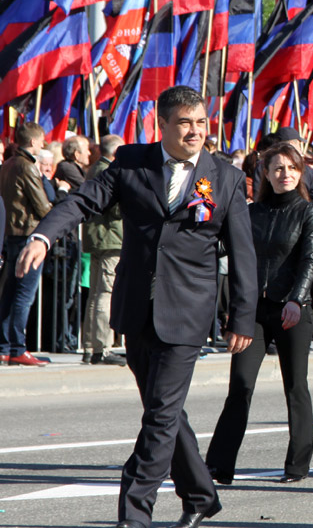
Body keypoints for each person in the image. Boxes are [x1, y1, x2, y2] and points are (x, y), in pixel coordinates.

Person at [17, 86, 257, 528]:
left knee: (162, 414)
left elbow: (243, 252)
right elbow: (83, 201)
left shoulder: (224, 178)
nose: (195, 131)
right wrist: (43, 235)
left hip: (187, 311)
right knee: (163, 412)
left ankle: (134, 514)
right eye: (184, 122)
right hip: (136, 306)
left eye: (201, 122)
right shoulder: (131, 162)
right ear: (161, 125)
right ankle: (202, 495)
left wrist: (242, 315)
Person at [206, 142, 313, 485]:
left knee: (295, 387)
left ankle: (297, 465)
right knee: (240, 385)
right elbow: (222, 245)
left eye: (291, 168)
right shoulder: (250, 211)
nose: (284, 174)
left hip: (292, 310)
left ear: (300, 173)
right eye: (277, 169)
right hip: (252, 312)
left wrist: (296, 300)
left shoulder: (308, 211)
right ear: (266, 175)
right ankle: (219, 465)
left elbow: (310, 260)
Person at [0, 122, 53, 366]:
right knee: (24, 293)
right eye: (41, 141)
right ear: (33, 141)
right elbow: (42, 205)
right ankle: (17, 347)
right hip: (28, 234)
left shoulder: (8, 163)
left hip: (11, 233)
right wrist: (58, 216)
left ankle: (5, 346)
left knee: (10, 291)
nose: (43, 145)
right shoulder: (27, 166)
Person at [82, 134, 126, 366]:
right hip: (110, 237)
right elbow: (114, 207)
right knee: (105, 294)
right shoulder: (107, 170)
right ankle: (103, 348)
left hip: (99, 237)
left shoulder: (94, 168)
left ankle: (91, 346)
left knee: (96, 294)